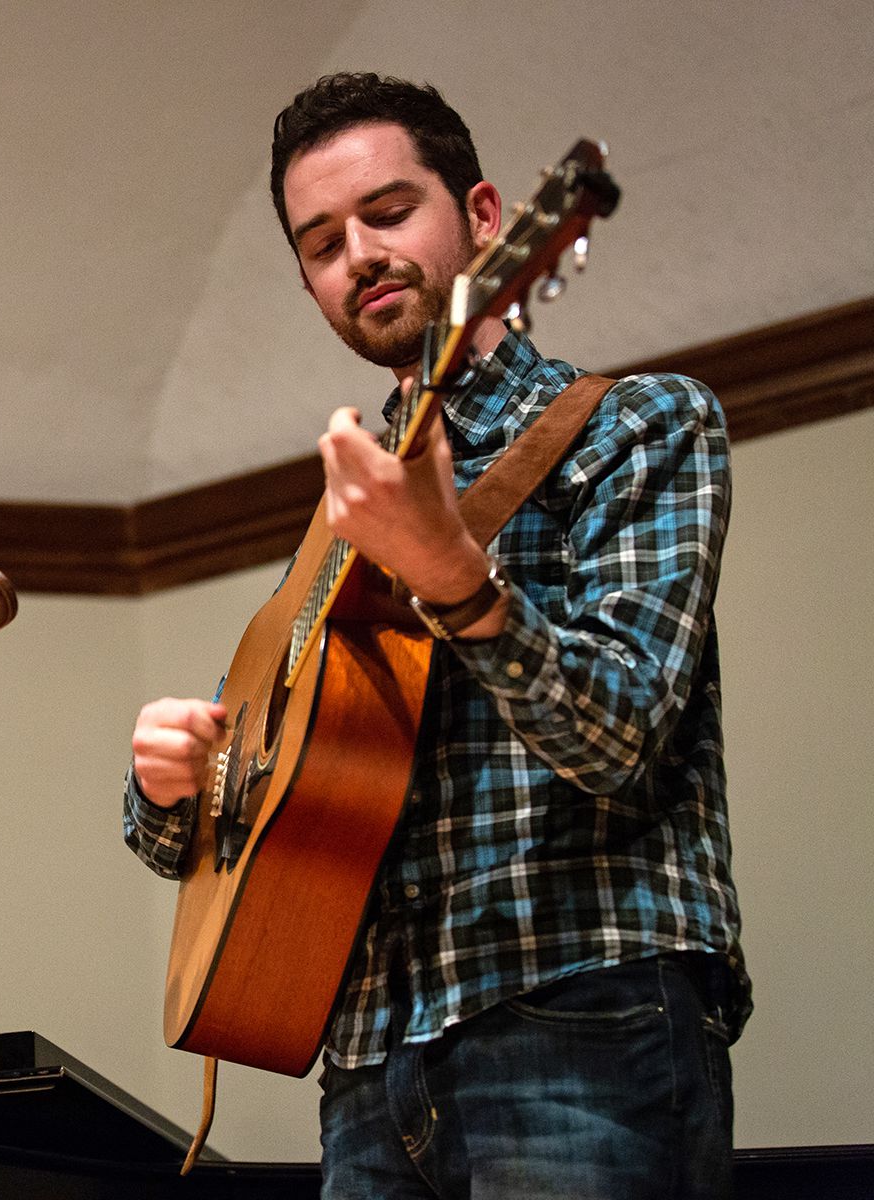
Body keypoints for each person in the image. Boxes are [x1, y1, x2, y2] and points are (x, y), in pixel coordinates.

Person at [125, 74, 749, 1199]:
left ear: (491, 220)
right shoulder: (344, 506)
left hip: (580, 1015)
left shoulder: (641, 424)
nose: (358, 254)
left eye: (389, 211)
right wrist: (168, 790)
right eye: (320, 243)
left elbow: (621, 738)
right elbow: (278, 780)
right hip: (367, 1062)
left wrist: (459, 581)